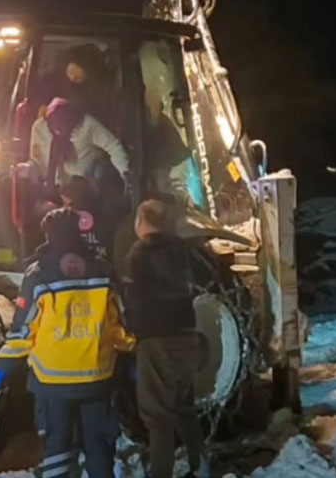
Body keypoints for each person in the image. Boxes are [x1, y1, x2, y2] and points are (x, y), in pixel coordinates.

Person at [0, 207, 136, 478]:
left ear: (49, 234)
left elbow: (25, 329)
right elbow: (117, 322)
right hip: (97, 377)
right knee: (99, 444)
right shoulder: (103, 269)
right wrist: (131, 350)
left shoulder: (38, 274)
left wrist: (4, 364)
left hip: (52, 381)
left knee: (56, 445)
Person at [125, 199, 209, 478]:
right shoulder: (181, 248)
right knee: (184, 405)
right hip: (187, 335)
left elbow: (135, 299)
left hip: (156, 340)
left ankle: (161, 473)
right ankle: (201, 464)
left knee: (156, 413)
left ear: (140, 222)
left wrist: (130, 332)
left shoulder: (140, 253)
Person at [30, 97, 129, 191]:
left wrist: (125, 173)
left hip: (82, 185)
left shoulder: (87, 125)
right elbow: (36, 160)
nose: (59, 132)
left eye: (63, 128)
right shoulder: (40, 129)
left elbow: (113, 146)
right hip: (52, 185)